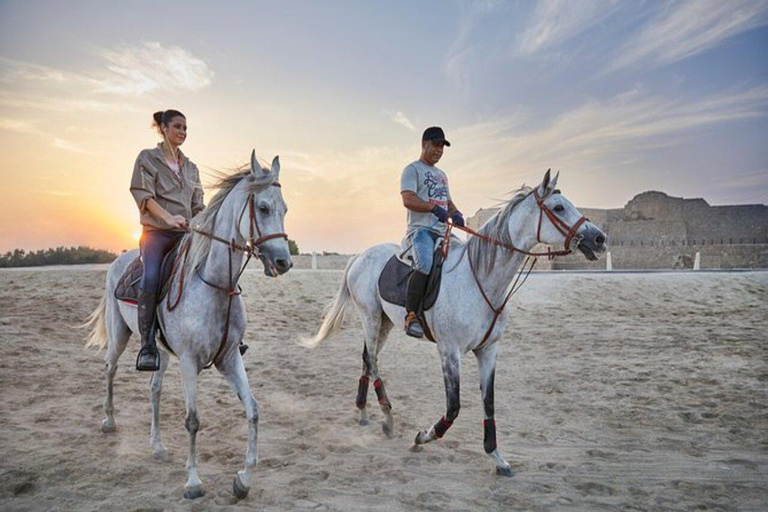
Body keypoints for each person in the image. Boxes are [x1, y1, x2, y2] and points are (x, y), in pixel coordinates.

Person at [130, 109, 205, 371]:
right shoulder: (147, 159)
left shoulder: (192, 168)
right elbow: (144, 197)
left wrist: (201, 222)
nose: (182, 132)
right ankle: (147, 344)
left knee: (217, 267)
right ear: (163, 128)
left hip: (186, 234)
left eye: (185, 128)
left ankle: (226, 334)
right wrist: (169, 218)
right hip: (157, 234)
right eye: (177, 126)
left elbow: (198, 206)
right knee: (151, 277)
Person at [399, 126, 464, 338]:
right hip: (421, 231)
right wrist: (432, 208)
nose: (439, 150)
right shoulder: (412, 170)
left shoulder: (442, 175)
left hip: (443, 231)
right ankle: (411, 316)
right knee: (425, 264)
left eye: (442, 147)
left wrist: (456, 213)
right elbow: (408, 199)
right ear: (424, 144)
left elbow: (447, 201)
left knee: (465, 258)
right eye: (436, 145)